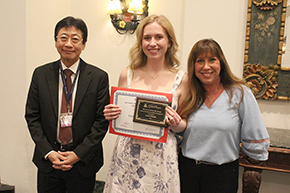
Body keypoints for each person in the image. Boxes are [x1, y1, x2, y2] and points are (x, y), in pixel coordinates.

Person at [103, 14, 189, 193]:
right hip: (128, 154)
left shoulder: (182, 79)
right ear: (141, 43)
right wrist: (111, 114)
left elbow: (185, 125)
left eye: (159, 37)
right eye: (147, 38)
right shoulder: (127, 74)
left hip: (162, 156)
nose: (152, 43)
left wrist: (177, 123)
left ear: (169, 42)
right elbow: (120, 116)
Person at [25, 16, 110, 193]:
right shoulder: (41, 74)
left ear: (84, 44)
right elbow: (32, 116)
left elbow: (101, 121)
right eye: (63, 37)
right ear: (56, 41)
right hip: (49, 161)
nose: (68, 44)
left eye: (75, 39)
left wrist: (77, 155)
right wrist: (49, 152)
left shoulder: (98, 77)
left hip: (82, 163)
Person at [178, 39, 270, 193]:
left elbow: (255, 134)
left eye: (212, 60)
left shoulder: (240, 93)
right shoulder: (189, 94)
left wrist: (256, 153)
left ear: (221, 63)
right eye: (200, 61)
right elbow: (177, 132)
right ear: (193, 66)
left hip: (223, 175)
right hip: (187, 172)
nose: (206, 66)